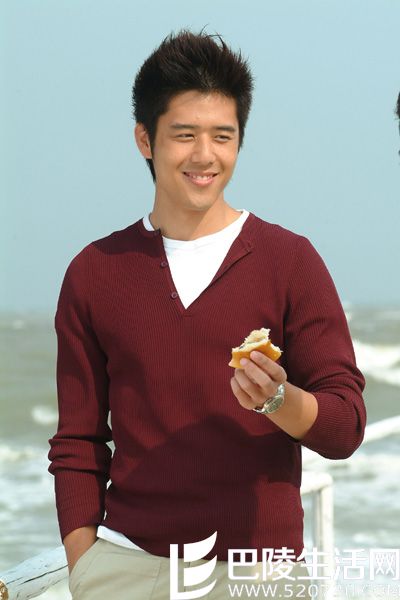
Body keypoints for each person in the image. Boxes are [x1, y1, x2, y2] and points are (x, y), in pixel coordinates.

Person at [48, 30, 366, 600]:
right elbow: (78, 440)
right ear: (145, 139)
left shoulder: (290, 261)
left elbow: (345, 427)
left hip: (260, 574)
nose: (205, 155)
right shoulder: (94, 272)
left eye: (223, 136)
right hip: (128, 570)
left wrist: (277, 399)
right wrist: (84, 565)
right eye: (184, 135)